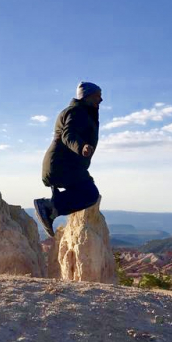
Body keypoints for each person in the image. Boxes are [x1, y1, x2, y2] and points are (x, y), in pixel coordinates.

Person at [33, 81, 102, 238]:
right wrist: (81, 146)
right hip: (61, 166)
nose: (101, 100)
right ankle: (49, 207)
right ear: (87, 96)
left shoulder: (82, 112)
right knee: (90, 193)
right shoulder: (76, 112)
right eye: (98, 96)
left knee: (87, 188)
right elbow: (68, 134)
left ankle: (52, 207)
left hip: (66, 166)